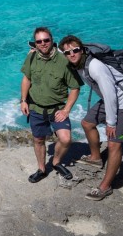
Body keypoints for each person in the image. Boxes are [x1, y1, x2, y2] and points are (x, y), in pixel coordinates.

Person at [59, 35, 123, 201]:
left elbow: (110, 95)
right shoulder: (76, 62)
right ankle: (96, 158)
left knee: (114, 144)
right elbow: (55, 52)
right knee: (87, 123)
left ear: (82, 49)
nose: (72, 54)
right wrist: (35, 52)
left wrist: (111, 123)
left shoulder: (95, 67)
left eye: (75, 50)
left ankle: (105, 187)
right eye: (68, 52)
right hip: (110, 99)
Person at [20, 27, 82, 184]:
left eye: (46, 40)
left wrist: (67, 110)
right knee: (38, 140)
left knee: (66, 139)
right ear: (35, 43)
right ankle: (41, 169)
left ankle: (56, 162)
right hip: (36, 107)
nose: (43, 44)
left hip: (57, 109)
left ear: (52, 40)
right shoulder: (32, 57)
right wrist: (23, 100)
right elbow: (27, 79)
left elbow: (75, 88)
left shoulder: (64, 61)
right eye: (39, 41)